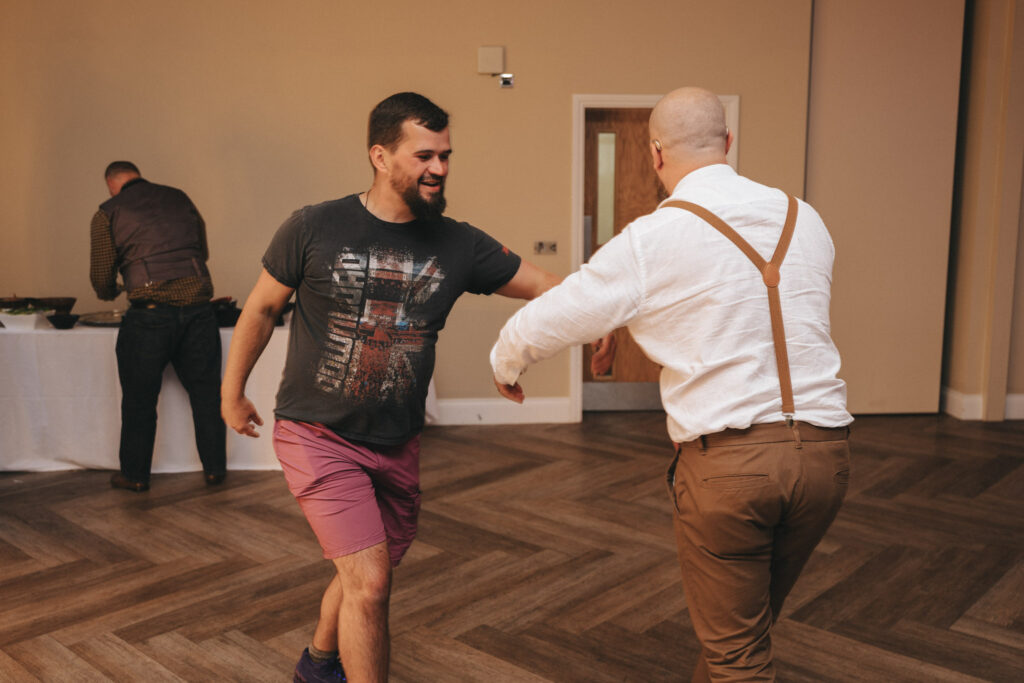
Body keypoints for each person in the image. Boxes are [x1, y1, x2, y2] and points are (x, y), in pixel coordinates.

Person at [490, 87, 853, 681]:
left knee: (738, 654)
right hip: (826, 460)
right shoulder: (804, 217)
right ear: (728, 143)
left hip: (731, 470)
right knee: (744, 629)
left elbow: (556, 314)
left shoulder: (653, 239)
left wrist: (506, 363)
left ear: (654, 153)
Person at [221, 92, 559, 683]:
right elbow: (260, 309)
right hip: (317, 432)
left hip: (398, 442)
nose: (439, 168)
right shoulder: (313, 226)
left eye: (446, 155)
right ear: (380, 155)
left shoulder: (459, 243)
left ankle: (318, 665)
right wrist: (232, 391)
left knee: (365, 575)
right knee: (371, 582)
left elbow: (546, 286)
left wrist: (600, 320)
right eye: (424, 155)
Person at [90, 161, 227, 492]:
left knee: (139, 400)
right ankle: (214, 470)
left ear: (112, 184)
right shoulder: (180, 198)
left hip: (149, 316)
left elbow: (101, 274)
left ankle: (135, 476)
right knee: (207, 395)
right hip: (198, 312)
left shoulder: (108, 211)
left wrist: (110, 292)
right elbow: (202, 250)